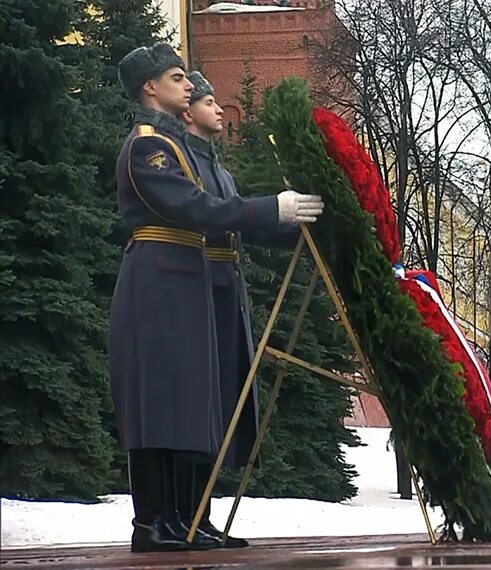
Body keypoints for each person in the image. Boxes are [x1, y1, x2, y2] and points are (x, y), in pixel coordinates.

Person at [110, 43, 323, 553]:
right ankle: (153, 522)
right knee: (158, 404)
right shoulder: (148, 146)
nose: (190, 87)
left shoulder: (178, 146)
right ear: (150, 87)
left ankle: (182, 519)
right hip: (159, 277)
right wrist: (273, 207)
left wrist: (296, 220)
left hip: (184, 278)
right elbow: (194, 206)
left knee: (185, 403)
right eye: (178, 78)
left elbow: (218, 209)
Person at [175, 71, 301, 548]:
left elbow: (248, 224)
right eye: (209, 102)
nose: (219, 110)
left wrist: (299, 222)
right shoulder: (183, 162)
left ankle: (201, 516)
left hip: (227, 288)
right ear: (188, 113)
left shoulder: (218, 169)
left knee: (222, 403)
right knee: (201, 402)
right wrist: (272, 208)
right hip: (200, 284)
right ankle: (187, 515)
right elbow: (216, 213)